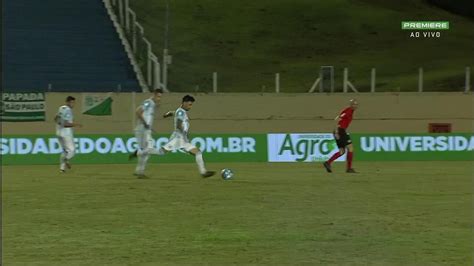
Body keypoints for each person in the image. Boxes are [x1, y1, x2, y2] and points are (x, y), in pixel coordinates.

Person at [130, 95, 215, 178]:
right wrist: (185, 135)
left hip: (183, 140)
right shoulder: (181, 111)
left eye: (191, 105)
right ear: (184, 103)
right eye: (189, 104)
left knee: (198, 152)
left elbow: (174, 113)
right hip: (177, 138)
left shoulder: (180, 111)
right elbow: (178, 124)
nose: (190, 107)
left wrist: (168, 114)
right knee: (161, 152)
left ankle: (203, 172)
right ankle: (139, 152)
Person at [130, 88, 164, 178]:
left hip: (144, 129)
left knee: (145, 151)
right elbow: (138, 111)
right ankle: (138, 153)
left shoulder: (152, 105)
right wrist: (145, 124)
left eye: (160, 97)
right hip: (142, 129)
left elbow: (147, 117)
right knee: (149, 149)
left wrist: (149, 127)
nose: (159, 99)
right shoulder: (148, 102)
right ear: (154, 94)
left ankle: (139, 171)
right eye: (158, 96)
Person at [323, 99, 358, 173]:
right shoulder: (348, 112)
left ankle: (328, 162)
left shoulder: (349, 111)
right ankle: (349, 168)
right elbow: (338, 119)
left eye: (356, 104)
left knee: (342, 151)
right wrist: (336, 131)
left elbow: (339, 117)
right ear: (350, 105)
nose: (355, 106)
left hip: (339, 131)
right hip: (340, 131)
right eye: (354, 104)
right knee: (350, 148)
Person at [54, 96, 82, 173]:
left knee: (64, 151)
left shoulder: (61, 108)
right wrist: (76, 124)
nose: (74, 104)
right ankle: (67, 159)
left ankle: (62, 169)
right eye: (73, 102)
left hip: (58, 132)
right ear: (68, 102)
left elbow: (55, 118)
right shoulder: (68, 110)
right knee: (72, 150)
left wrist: (59, 123)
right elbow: (66, 124)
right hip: (66, 133)